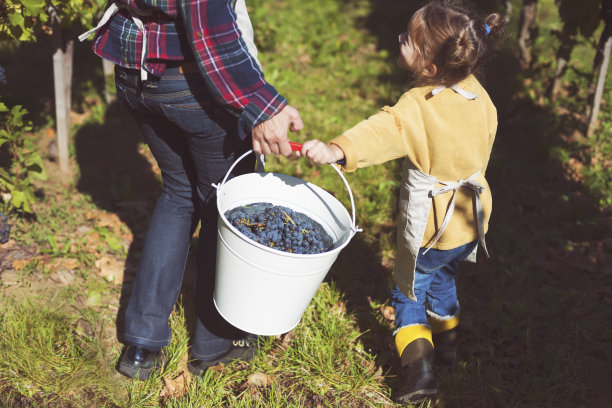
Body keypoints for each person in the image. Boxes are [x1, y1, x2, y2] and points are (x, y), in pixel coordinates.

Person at [79, 0, 303, 380]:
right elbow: (211, 37)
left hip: (137, 79)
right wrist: (264, 107)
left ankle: (141, 345)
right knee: (222, 205)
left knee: (179, 193)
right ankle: (214, 345)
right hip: (192, 87)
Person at [299, 3, 502, 404]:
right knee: (443, 277)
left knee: (408, 293)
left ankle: (420, 372)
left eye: (408, 39)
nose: (399, 39)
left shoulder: (417, 105)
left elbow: (381, 131)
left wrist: (337, 149)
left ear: (428, 67)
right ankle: (449, 344)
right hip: (470, 221)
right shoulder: (480, 96)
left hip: (432, 225)